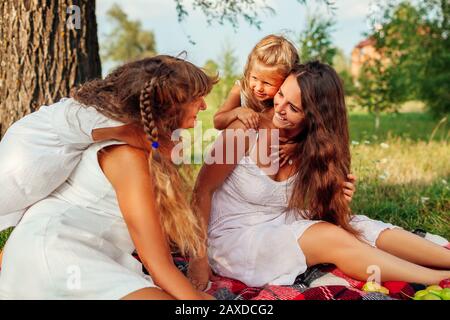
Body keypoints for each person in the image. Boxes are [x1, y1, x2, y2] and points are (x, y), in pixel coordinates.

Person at [188, 61, 450, 290]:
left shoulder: (311, 147)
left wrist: (338, 201)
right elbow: (201, 191)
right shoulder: (243, 130)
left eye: (293, 107)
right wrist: (197, 260)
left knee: (358, 224)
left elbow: (323, 216)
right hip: (231, 240)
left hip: (279, 223)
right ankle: (439, 280)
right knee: (328, 237)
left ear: (314, 118)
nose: (279, 108)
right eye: (280, 95)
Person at [0, 55, 218, 299]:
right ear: (170, 103)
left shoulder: (147, 149)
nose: (204, 106)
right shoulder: (127, 154)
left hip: (92, 252)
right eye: (197, 97)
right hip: (57, 251)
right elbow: (160, 267)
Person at [0, 88, 155, 232]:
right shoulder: (96, 116)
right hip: (31, 154)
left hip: (40, 161)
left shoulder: (96, 113)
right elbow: (143, 139)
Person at [213, 34, 300, 167]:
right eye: (254, 78)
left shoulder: (284, 104)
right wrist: (237, 112)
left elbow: (306, 130)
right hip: (230, 156)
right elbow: (217, 121)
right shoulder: (241, 89)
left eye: (267, 83)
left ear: (285, 82)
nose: (258, 87)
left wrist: (296, 146)